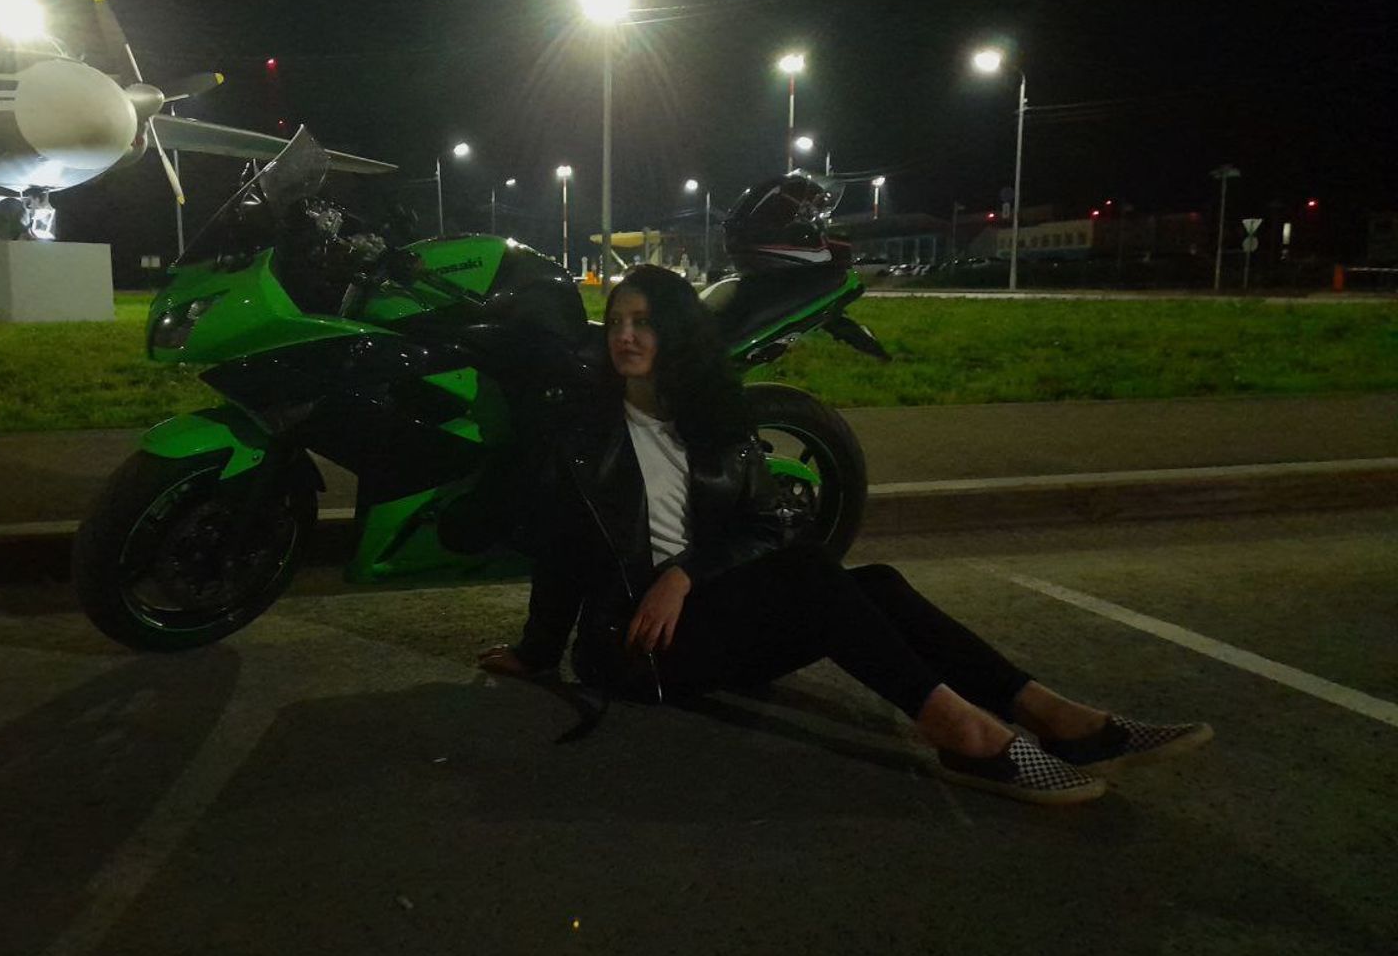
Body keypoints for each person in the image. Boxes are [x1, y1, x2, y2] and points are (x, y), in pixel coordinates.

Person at [478, 265, 1212, 805]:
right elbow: (561, 556)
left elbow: (764, 524)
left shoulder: (715, 419)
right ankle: (966, 738)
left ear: (676, 333)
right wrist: (538, 653)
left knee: (878, 583)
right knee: (812, 575)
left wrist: (685, 574)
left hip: (705, 611)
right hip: (636, 646)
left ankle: (1052, 715)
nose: (626, 336)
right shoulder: (584, 437)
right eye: (616, 322)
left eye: (643, 322)